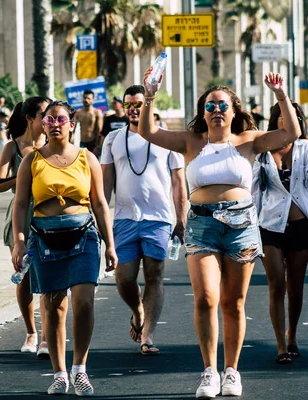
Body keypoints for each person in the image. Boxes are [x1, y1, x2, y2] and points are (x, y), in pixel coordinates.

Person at [138, 70, 301, 399]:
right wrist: (150, 95)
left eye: (222, 106)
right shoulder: (191, 142)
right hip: (202, 224)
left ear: (234, 111)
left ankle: (231, 371)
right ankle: (209, 371)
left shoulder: (248, 140)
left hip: (241, 225)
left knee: (234, 302)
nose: (216, 111)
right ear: (203, 113)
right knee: (206, 299)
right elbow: (148, 131)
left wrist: (281, 95)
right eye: (210, 106)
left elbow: (290, 132)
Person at [12, 100, 117, 396]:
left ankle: (79, 369)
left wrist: (110, 244)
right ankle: (59, 374)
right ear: (42, 125)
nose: (54, 124)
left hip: (83, 236)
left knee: (83, 304)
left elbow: (99, 204)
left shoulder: (87, 158)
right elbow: (20, 203)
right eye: (49, 120)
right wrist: (19, 240)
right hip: (44, 239)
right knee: (54, 307)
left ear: (72, 124)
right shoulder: (31, 160)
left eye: (60, 119)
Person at [100, 85, 187, 356]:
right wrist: (101, 223)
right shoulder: (113, 139)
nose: (133, 109)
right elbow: (105, 184)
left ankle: (147, 335)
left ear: (149, 104)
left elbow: (178, 182)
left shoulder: (167, 138)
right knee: (124, 278)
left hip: (159, 219)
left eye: (138, 103)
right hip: (124, 218)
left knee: (154, 275)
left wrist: (180, 220)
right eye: (128, 104)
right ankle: (138, 310)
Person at [252, 102, 308, 364]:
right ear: (275, 121)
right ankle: (281, 345)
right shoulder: (262, 149)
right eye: (283, 117)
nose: (287, 122)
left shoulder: (306, 148)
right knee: (276, 287)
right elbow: (254, 191)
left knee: (295, 288)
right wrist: (251, 227)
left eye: (293, 117)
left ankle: (292, 334)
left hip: (300, 225)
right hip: (269, 226)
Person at [0, 97, 51, 358]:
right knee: (26, 276)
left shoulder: (54, 143)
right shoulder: (12, 147)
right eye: (44, 115)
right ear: (30, 118)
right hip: (21, 215)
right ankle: (31, 331)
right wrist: (23, 175)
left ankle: (48, 337)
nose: (49, 120)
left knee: (50, 279)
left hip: (50, 214)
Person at [75, 90, 103, 154]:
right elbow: (73, 128)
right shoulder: (78, 113)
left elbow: (99, 130)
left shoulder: (97, 112)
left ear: (93, 100)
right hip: (81, 143)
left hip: (93, 143)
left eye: (88, 98)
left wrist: (97, 146)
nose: (86, 100)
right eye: (84, 98)